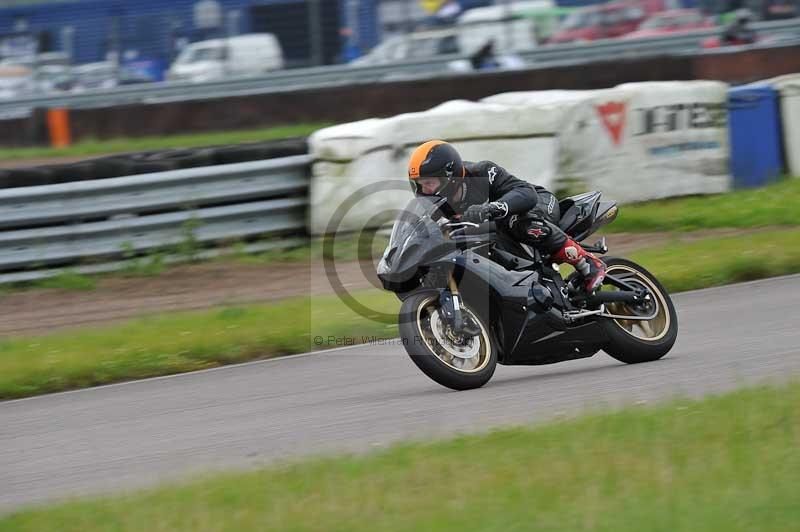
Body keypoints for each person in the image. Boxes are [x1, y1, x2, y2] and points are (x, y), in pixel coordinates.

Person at [407, 140, 606, 293]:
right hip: (499, 229)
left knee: (516, 222)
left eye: (429, 183)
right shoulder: (436, 207)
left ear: (449, 176)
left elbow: (526, 193)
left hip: (538, 204)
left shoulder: (482, 171)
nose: (424, 189)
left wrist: (492, 208)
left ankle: (586, 262)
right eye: (420, 184)